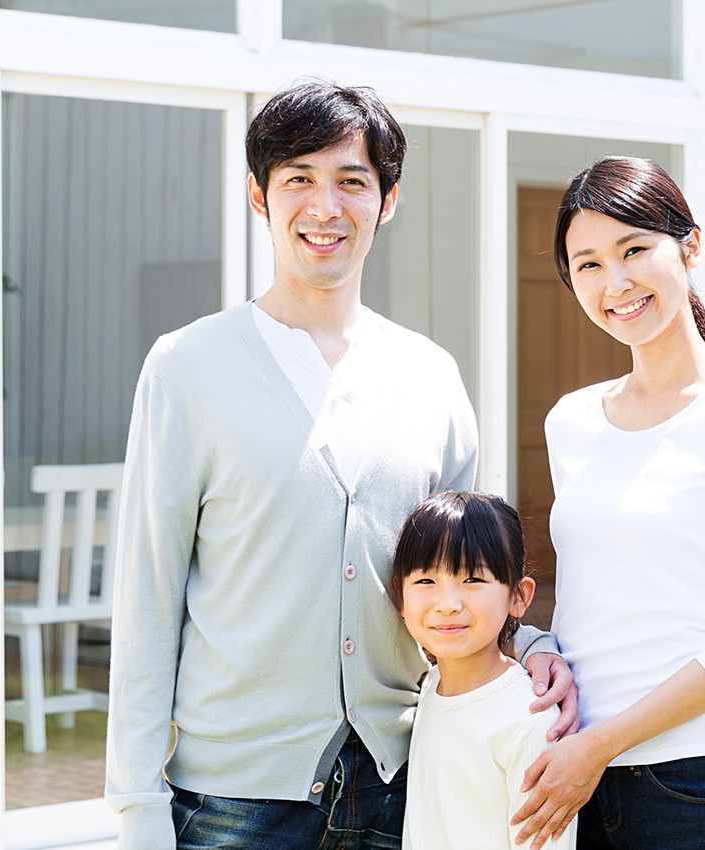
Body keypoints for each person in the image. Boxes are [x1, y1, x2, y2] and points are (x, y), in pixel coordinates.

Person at [104, 79, 576, 850]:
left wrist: (531, 645)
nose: (325, 207)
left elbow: (460, 573)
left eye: (352, 181)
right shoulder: (187, 366)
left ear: (387, 201)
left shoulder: (430, 375)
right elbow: (146, 600)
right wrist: (135, 808)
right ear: (259, 196)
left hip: (401, 786)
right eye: (298, 179)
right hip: (235, 803)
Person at [511, 156, 705, 850]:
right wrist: (539, 647)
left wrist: (601, 746)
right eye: (588, 264)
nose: (616, 283)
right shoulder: (570, 422)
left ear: (689, 247)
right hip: (574, 773)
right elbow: (594, 595)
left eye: (635, 250)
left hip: (693, 784)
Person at [390, 492, 578, 850]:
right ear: (401, 596)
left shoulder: (529, 720)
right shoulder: (428, 687)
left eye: (473, 580)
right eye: (426, 582)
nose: (447, 604)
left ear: (518, 597)